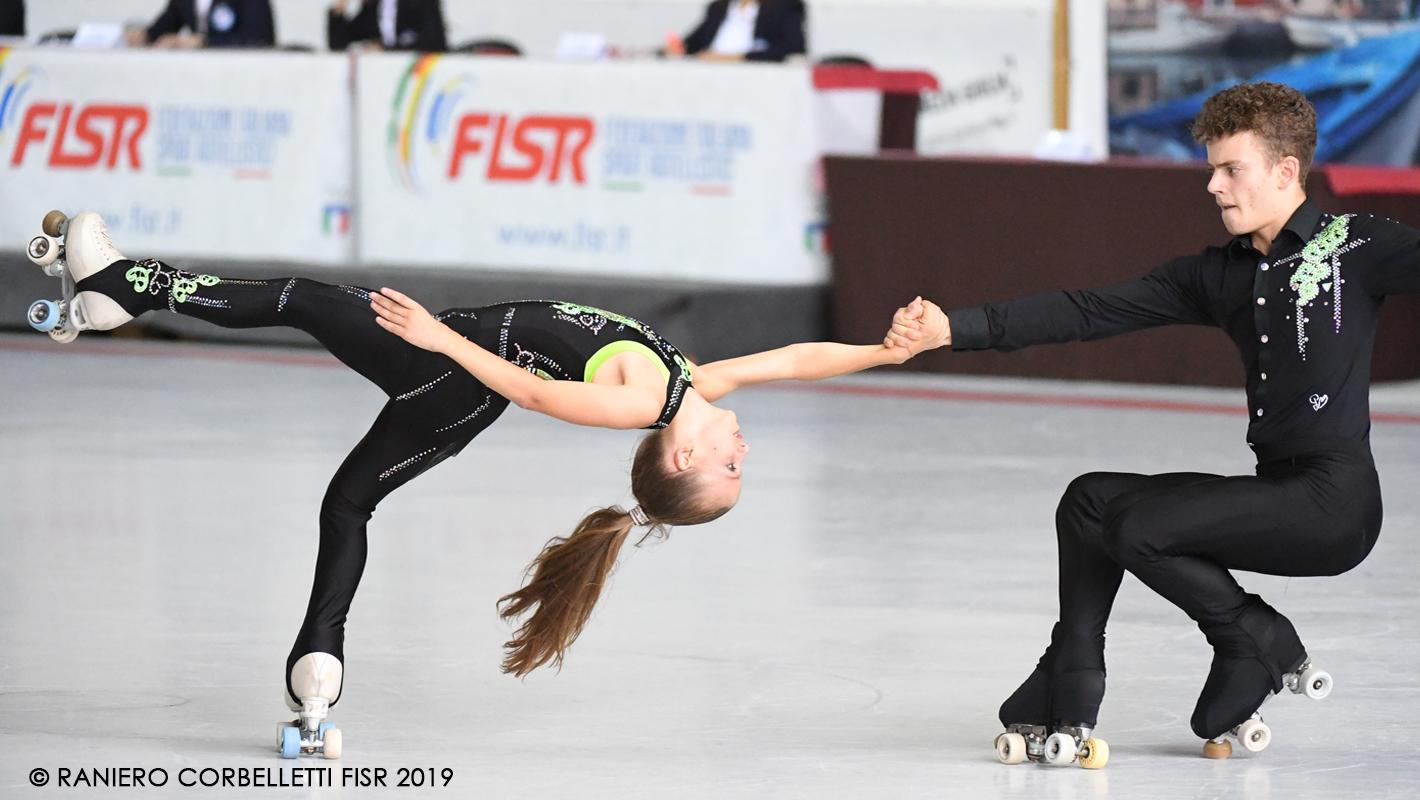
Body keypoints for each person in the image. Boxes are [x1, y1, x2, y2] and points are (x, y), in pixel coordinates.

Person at [53, 211, 940, 740]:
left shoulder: (641, 401)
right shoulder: (687, 381)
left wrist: (439, 337)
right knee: (350, 500)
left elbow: (536, 392)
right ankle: (317, 660)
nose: (746, 456)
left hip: (453, 371)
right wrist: (881, 352)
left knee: (298, 298)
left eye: (730, 474)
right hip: (457, 397)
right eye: (741, 467)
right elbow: (790, 358)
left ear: (683, 458)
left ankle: (121, 282)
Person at [887, 81, 1417, 757]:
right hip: (1277, 491)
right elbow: (1088, 309)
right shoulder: (1217, 275)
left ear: (1286, 171)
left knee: (1141, 526)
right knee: (1090, 502)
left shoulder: (1356, 244)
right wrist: (951, 329)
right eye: (1211, 170)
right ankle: (1071, 676)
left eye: (1232, 170)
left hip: (1336, 505)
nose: (1214, 187)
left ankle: (1252, 638)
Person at [675, 0, 806, 63]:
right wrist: (675, 49)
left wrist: (736, 58)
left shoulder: (784, 6)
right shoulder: (718, 8)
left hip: (754, 77)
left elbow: (793, 48)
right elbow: (691, 44)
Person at [132, 0, 275, 49]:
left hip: (241, 75)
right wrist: (143, 37)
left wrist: (203, 42)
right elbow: (159, 30)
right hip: (198, 77)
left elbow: (260, 38)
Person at [327, 0, 446, 53]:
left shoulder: (421, 2)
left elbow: (435, 42)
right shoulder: (373, 7)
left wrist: (386, 49)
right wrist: (339, 9)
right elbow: (339, 44)